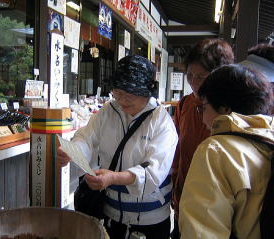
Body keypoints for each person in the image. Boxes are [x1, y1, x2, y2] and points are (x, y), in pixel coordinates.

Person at [57, 55, 178, 239]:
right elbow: (86, 137)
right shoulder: (108, 111)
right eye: (118, 93)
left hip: (150, 218)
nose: (122, 101)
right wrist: (72, 151)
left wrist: (113, 178)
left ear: (146, 92)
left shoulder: (161, 121)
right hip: (110, 212)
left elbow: (154, 172)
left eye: (129, 94)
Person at [179, 64, 274, 238]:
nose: (202, 118)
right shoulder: (269, 141)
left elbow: (201, 232)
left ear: (224, 108)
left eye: (204, 108)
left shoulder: (216, 150)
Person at [171, 38, 234, 238]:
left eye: (202, 76)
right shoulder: (185, 104)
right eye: (190, 75)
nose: (194, 83)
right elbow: (177, 147)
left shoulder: (230, 109)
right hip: (182, 198)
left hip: (214, 208)